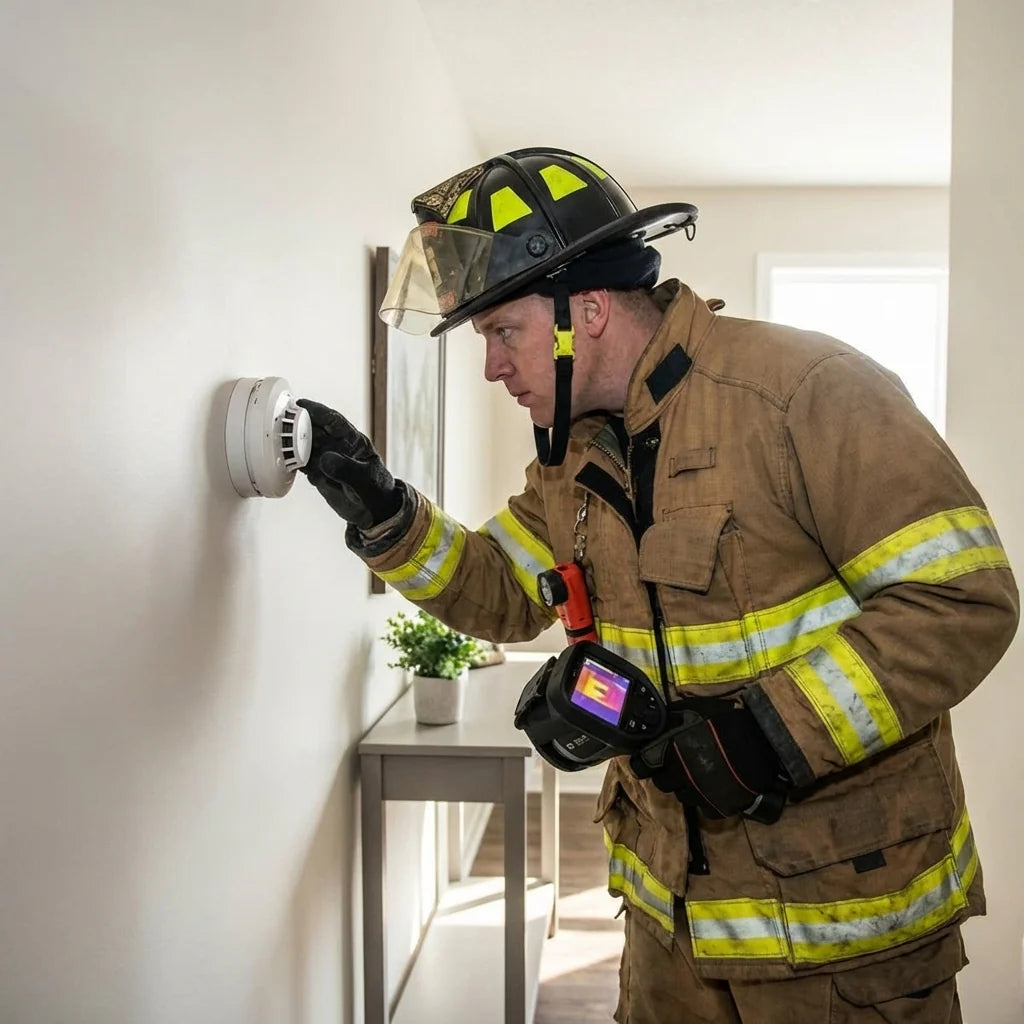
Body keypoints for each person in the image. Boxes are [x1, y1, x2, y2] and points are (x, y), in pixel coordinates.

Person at [298, 147, 1019, 1022]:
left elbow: (961, 600)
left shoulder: (807, 393)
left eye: (502, 333)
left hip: (843, 942)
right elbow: (500, 592)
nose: (492, 367)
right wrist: (385, 512)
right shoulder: (574, 456)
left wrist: (771, 733)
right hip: (667, 936)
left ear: (586, 311)